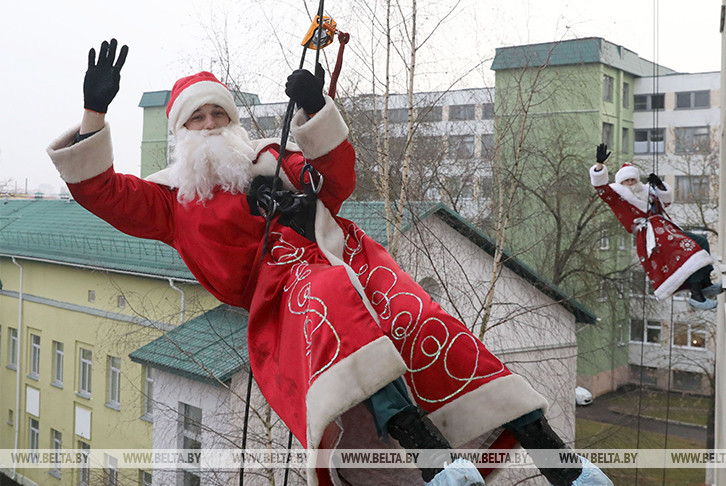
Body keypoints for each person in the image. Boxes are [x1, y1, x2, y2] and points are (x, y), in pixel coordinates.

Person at [47, 39, 613, 486]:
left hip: (348, 257)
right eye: (198, 118)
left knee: (427, 324)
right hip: (284, 301)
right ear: (180, 132)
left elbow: (337, 179)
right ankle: (430, 455)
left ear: (234, 121)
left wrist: (315, 115)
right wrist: (94, 112)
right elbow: (101, 191)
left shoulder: (271, 161)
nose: (211, 123)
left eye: (219, 112)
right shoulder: (172, 202)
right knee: (331, 302)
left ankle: (558, 459)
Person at [590, 144, 719, 309]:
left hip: (666, 230)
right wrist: (599, 166)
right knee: (689, 249)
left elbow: (666, 202)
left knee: (701, 242)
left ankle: (705, 286)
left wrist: (659, 185)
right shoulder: (617, 196)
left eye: (633, 179)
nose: (630, 183)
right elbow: (601, 189)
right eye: (626, 180)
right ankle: (696, 295)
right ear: (621, 182)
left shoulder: (647, 191)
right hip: (650, 237)